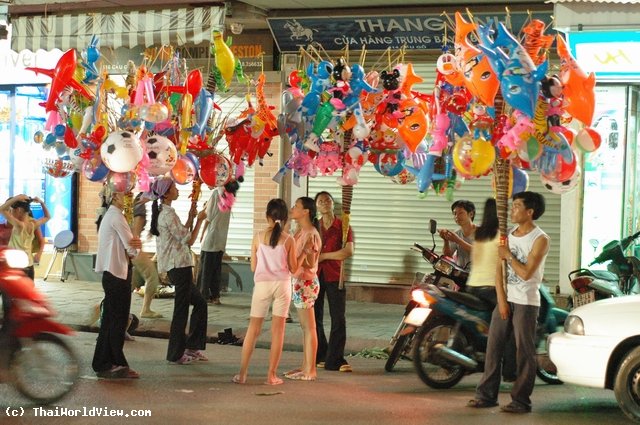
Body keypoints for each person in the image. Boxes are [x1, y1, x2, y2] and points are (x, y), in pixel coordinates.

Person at [467, 191, 549, 414]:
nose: (512, 210)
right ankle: (486, 396)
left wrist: (508, 255)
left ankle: (521, 400)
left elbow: (526, 273)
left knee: (524, 352)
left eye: (517, 206)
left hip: (527, 302)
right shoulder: (508, 235)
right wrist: (502, 301)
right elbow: (498, 271)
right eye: (512, 206)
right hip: (507, 300)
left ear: (529, 212)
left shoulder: (540, 239)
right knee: (493, 348)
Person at [233, 198, 297, 385]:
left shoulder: (258, 237)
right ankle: (271, 376)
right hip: (282, 285)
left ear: (267, 216)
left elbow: (253, 267)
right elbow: (293, 268)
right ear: (285, 218)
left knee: (253, 330)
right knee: (278, 332)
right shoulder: (289, 240)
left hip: (262, 285)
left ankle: (243, 374)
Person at [149, 177, 209, 365]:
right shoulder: (167, 215)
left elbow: (181, 233)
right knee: (181, 311)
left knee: (200, 304)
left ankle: (192, 346)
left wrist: (191, 216)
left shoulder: (167, 212)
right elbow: (189, 240)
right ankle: (175, 353)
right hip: (178, 266)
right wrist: (199, 220)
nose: (177, 190)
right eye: (174, 188)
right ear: (166, 194)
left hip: (180, 264)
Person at [92, 184, 142, 379]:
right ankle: (115, 363)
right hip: (117, 274)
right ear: (113, 197)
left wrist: (134, 243)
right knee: (116, 322)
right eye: (123, 192)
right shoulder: (116, 217)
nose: (128, 194)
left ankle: (104, 362)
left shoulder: (112, 216)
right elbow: (132, 249)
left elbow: (129, 244)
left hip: (113, 274)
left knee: (111, 321)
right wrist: (136, 244)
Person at [465, 198, 516, 382]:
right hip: (491, 288)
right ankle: (510, 371)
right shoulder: (501, 236)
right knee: (511, 324)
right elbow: (505, 261)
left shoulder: (478, 234)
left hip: (472, 286)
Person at [314, 191, 354, 373]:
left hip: (335, 275)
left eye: (327, 200)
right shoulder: (314, 226)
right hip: (315, 275)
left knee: (338, 318)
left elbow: (347, 251)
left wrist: (324, 256)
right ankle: (321, 355)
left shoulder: (343, 225)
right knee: (315, 317)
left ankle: (335, 359)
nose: (324, 203)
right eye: (320, 201)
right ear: (316, 205)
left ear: (332, 203)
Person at [284, 196, 322, 381]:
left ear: (306, 211)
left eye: (296, 206)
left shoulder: (311, 234)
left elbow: (312, 261)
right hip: (299, 282)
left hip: (306, 283)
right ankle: (305, 366)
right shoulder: (300, 231)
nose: (293, 209)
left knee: (309, 328)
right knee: (305, 327)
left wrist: (307, 252)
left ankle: (311, 369)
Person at [197, 178, 242, 305]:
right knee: (216, 269)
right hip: (221, 239)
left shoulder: (216, 194)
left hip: (211, 238)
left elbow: (208, 216)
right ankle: (215, 296)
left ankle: (203, 296)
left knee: (205, 269)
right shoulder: (229, 196)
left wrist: (201, 234)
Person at [0, 195, 50, 279]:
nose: (10, 213)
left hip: (17, 267)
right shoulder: (33, 224)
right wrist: (41, 203)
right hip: (29, 266)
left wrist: (17, 198)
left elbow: (1, 209)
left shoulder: (19, 225)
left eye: (11, 211)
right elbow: (47, 217)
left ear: (18, 210)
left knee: (12, 292)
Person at [130, 192, 162, 318]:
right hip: (133, 248)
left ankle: (104, 306)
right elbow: (135, 233)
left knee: (130, 282)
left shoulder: (134, 204)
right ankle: (146, 309)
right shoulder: (139, 206)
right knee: (152, 276)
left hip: (128, 248)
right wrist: (138, 250)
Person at [438, 199, 476, 269]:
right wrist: (445, 241)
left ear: (471, 214)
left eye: (460, 213)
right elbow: (448, 257)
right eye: (455, 213)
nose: (456, 216)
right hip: (461, 275)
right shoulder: (456, 233)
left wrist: (457, 240)